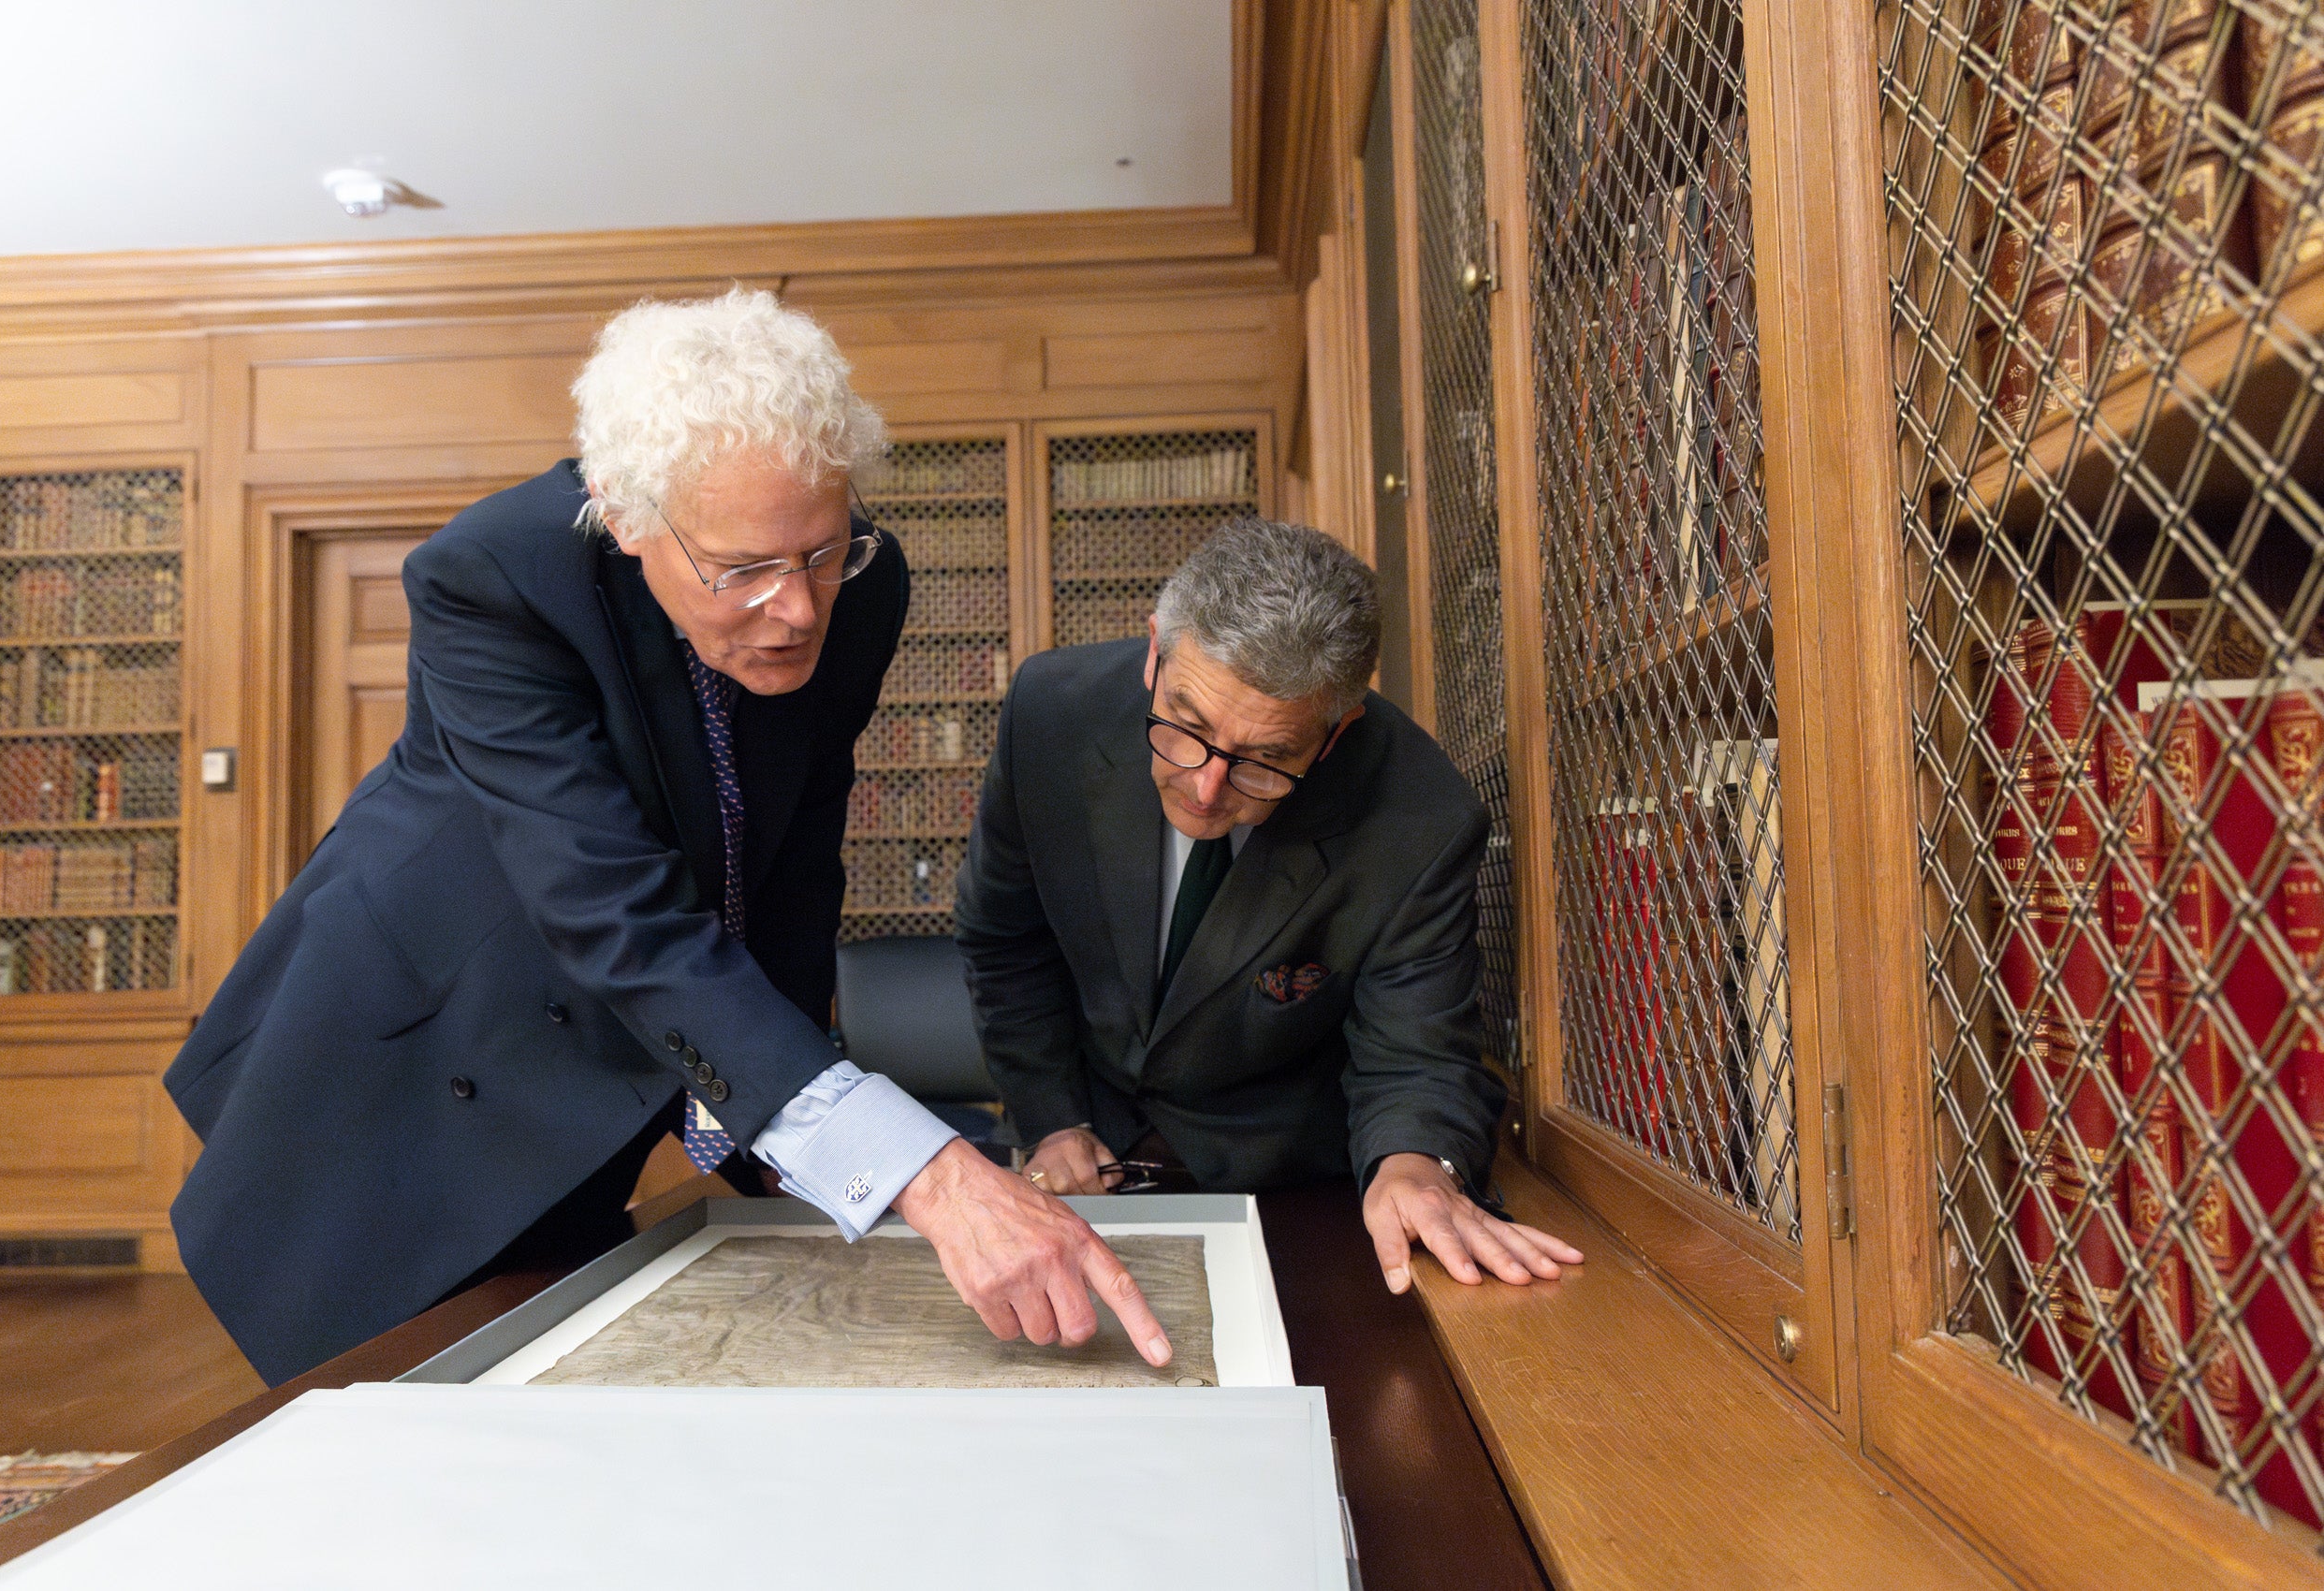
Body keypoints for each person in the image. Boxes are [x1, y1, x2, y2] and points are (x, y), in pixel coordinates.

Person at [165, 288, 1168, 1384]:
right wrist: (920, 1169)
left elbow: (789, 866)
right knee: (376, 1412)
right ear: (625, 512)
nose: (796, 609)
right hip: (414, 1053)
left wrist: (803, 1141)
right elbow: (612, 907)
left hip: (614, 1063)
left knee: (547, 1388)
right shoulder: (494, 579)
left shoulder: (863, 592)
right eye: (740, 570)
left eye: (823, 551)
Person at [955, 519, 1583, 1293]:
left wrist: (1414, 1165)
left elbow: (1415, 1051)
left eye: (1266, 758)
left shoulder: (1420, 821)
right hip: (1083, 1155)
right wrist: (1052, 1117)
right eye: (1187, 725)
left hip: (1291, 1189)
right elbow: (1004, 941)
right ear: (1154, 651)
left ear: (1334, 733)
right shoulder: (1050, 713)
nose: (1207, 786)